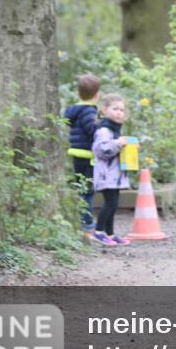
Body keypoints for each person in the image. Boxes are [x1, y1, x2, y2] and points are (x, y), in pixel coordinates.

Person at [91, 93, 132, 246]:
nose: (119, 113)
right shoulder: (104, 130)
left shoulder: (115, 130)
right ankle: (98, 232)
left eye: (121, 110)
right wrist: (118, 143)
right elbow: (102, 150)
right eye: (115, 109)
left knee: (113, 204)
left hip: (114, 175)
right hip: (106, 175)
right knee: (110, 204)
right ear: (104, 110)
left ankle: (110, 233)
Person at [64, 74, 101, 240]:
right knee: (88, 192)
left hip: (77, 154)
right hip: (87, 156)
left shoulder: (74, 111)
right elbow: (93, 131)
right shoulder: (89, 111)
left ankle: (82, 221)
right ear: (97, 94)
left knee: (82, 190)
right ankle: (87, 226)